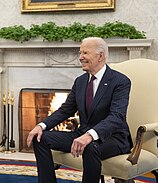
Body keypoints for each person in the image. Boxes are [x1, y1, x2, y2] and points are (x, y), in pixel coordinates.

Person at [27, 37, 133, 183]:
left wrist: (90, 135)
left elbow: (116, 116)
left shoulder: (120, 81)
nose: (80, 57)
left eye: (85, 53)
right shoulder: (81, 81)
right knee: (40, 138)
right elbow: (66, 110)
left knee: (90, 147)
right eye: (80, 53)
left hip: (113, 138)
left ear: (100, 56)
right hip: (82, 133)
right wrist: (41, 126)